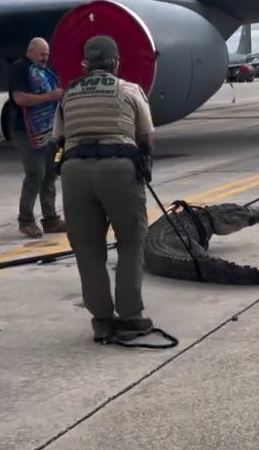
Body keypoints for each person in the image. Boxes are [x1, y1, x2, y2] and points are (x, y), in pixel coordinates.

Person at [54, 35, 155, 342]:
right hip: (118, 168)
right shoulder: (128, 90)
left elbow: (58, 139)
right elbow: (146, 136)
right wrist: (144, 167)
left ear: (85, 64)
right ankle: (129, 317)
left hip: (74, 172)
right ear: (114, 63)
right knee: (130, 242)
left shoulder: (68, 95)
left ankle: (101, 319)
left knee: (87, 249)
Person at [8, 37, 66, 239]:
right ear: (30, 52)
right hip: (25, 129)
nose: (45, 58)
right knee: (35, 173)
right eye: (42, 54)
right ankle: (26, 220)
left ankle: (50, 219)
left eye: (47, 54)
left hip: (48, 129)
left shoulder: (46, 72)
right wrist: (50, 96)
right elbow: (20, 98)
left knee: (50, 173)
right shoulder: (20, 68)